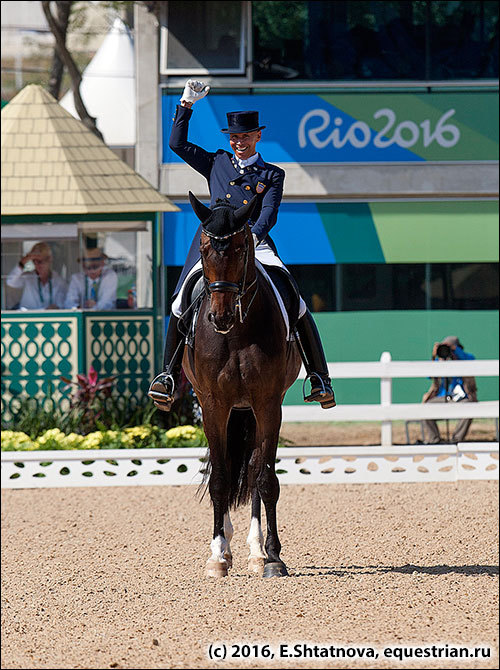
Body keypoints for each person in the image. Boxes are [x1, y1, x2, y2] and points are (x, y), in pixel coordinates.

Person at [149, 79, 335, 412]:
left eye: (245, 137)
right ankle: (168, 376)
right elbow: (177, 144)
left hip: (253, 241)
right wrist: (186, 104)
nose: (239, 143)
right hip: (216, 244)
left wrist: (252, 237)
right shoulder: (217, 162)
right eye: (234, 138)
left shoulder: (272, 173)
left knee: (295, 299)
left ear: (257, 137)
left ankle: (319, 377)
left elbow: (268, 213)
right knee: (180, 302)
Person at [422, 335, 477, 444]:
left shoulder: (465, 358)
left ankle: (456, 439)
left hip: (461, 397)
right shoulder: (440, 361)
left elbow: (471, 361)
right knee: (425, 408)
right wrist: (434, 357)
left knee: (470, 408)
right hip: (443, 397)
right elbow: (429, 375)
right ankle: (435, 440)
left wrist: (455, 350)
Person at [6, 242, 67, 310]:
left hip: (50, 318)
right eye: (34, 261)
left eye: (40, 261)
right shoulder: (28, 277)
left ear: (49, 259)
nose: (37, 265)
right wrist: (24, 260)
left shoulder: (58, 281)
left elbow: (61, 304)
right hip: (27, 318)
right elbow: (10, 282)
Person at [64, 246, 118, 310]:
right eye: (88, 267)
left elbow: (107, 302)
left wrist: (95, 307)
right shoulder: (76, 278)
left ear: (102, 264)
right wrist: (77, 308)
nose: (92, 271)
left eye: (95, 267)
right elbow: (69, 301)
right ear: (82, 266)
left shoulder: (110, 276)